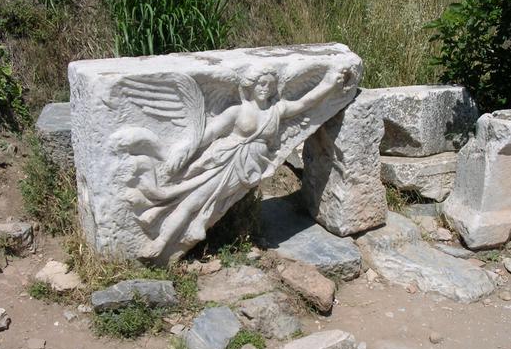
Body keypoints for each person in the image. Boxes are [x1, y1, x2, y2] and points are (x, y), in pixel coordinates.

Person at [136, 64, 350, 262]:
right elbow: (209, 133)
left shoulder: (276, 110)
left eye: (270, 85)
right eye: (261, 83)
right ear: (251, 85)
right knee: (192, 201)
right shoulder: (237, 110)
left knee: (204, 203)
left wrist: (328, 84)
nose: (265, 88)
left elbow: (305, 103)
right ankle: (161, 242)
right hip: (225, 160)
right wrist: (186, 148)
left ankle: (175, 232)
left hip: (249, 168)